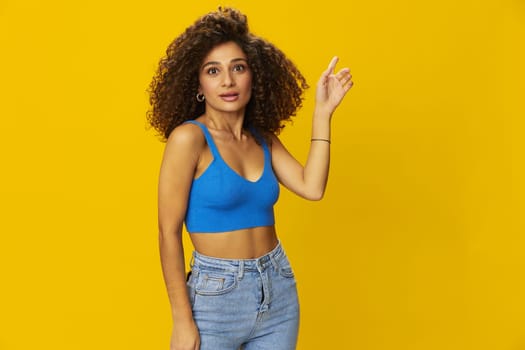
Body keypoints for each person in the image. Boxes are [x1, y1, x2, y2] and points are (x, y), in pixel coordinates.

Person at [147, 7, 353, 350]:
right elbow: (167, 232)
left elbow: (312, 187)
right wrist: (182, 319)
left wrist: (323, 113)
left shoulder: (264, 139)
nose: (227, 81)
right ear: (198, 84)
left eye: (237, 68)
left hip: (278, 287)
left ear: (253, 77)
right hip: (215, 298)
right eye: (213, 71)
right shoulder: (189, 139)